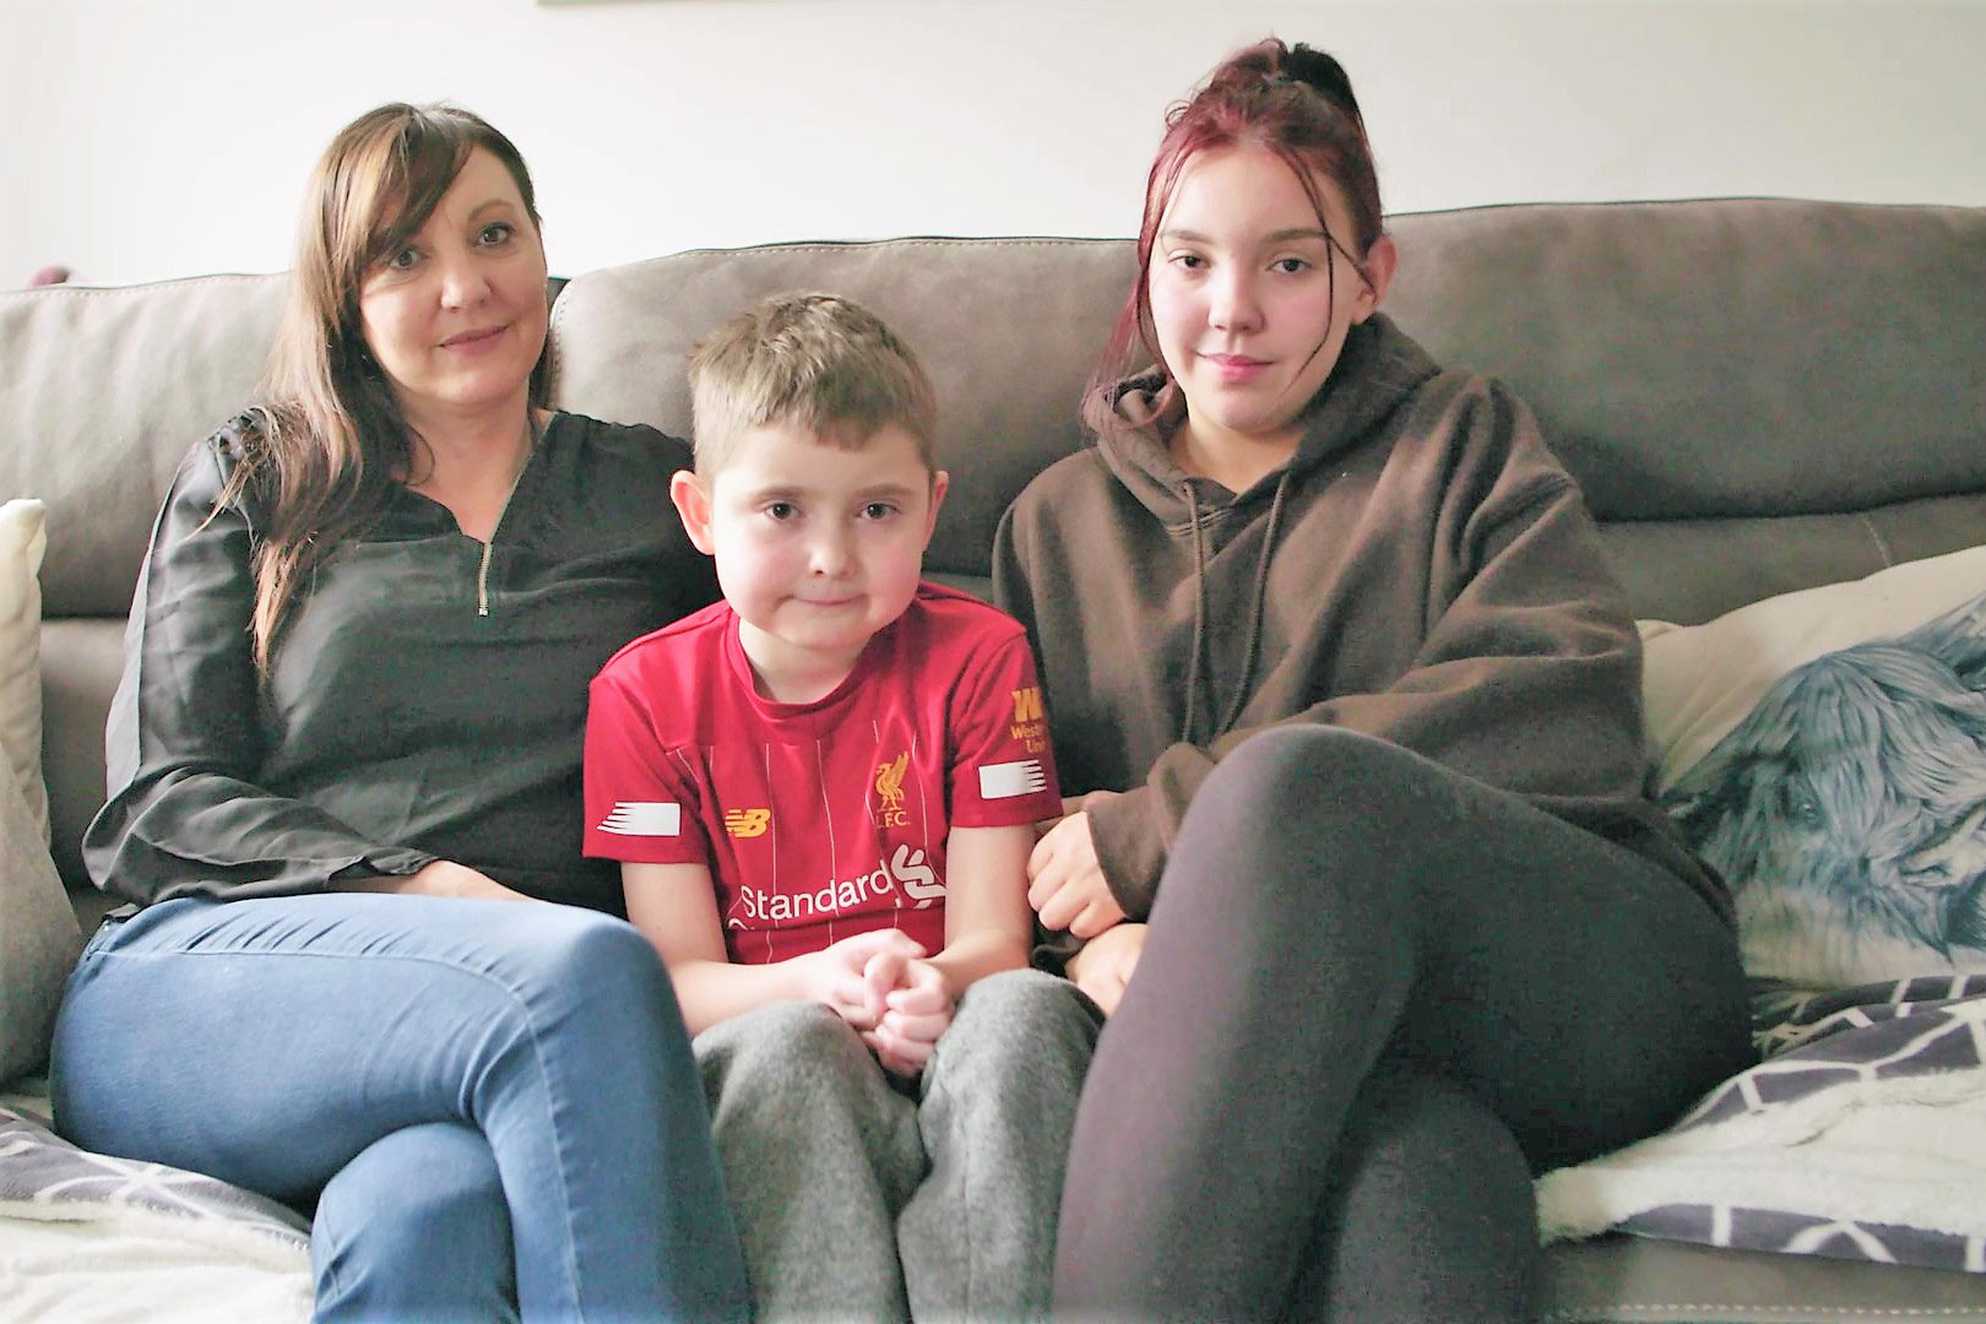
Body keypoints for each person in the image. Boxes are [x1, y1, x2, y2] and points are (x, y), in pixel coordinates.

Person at [992, 40, 1754, 1322]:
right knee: (1411, 1167)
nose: (1230, 309)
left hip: (1578, 966)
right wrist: (1092, 941)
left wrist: (1170, 821)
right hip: (1329, 1042)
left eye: (1289, 263)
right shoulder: (1049, 527)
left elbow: (1563, 706)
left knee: (1296, 791)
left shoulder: (1462, 440)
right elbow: (1008, 824)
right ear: (1148, 270)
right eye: (1190, 261)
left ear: (1367, 280)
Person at [49, 102, 748, 1323]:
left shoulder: (652, 493)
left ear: (542, 248)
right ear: (343, 297)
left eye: (494, 234)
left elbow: (816, 680)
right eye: (404, 256)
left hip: (509, 1053)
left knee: (425, 1217)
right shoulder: (258, 477)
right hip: (214, 984)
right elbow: (155, 804)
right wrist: (436, 891)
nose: (465, 286)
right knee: (581, 969)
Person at [584, 291, 1101, 1321]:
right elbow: (678, 983)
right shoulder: (639, 698)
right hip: (782, 1042)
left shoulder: (982, 656)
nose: (831, 556)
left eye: (877, 510)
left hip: (953, 1023)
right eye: (782, 510)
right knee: (783, 1044)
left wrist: (927, 980)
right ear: (698, 513)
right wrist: (820, 983)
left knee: (1030, 1010)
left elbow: (995, 940)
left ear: (933, 505)